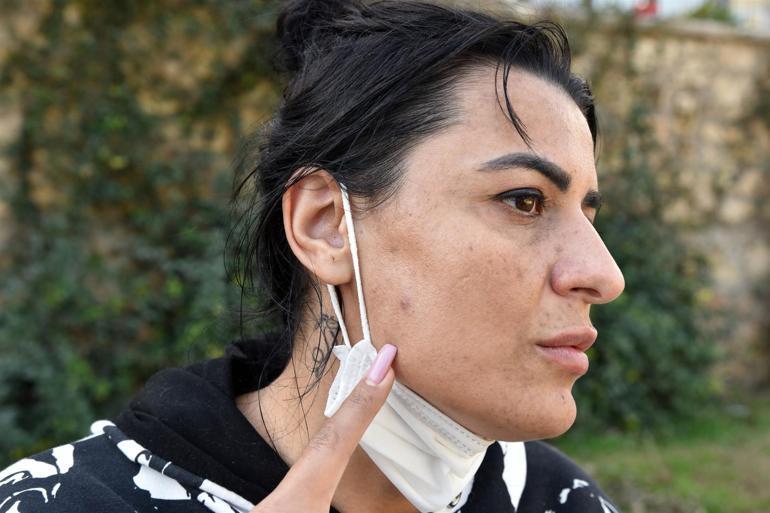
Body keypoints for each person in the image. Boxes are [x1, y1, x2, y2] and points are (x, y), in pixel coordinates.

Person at [0, 1, 627, 512]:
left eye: (587, 214)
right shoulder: (60, 502)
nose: (604, 275)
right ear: (326, 226)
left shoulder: (558, 497)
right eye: (524, 201)